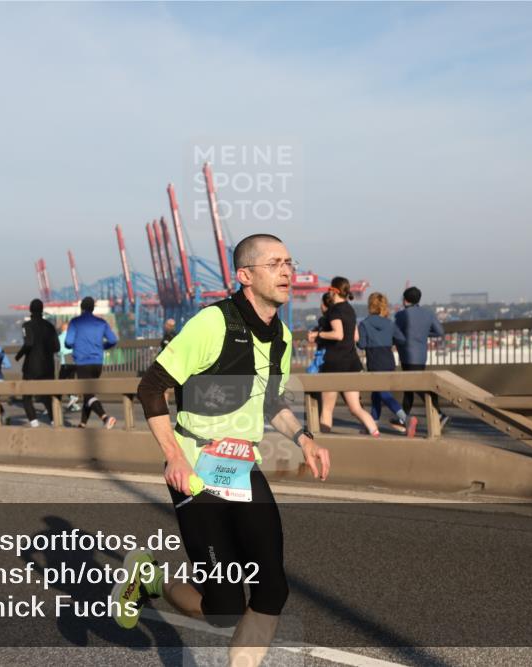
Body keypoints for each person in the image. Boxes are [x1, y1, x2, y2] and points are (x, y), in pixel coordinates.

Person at [118, 234, 330, 666]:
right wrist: (174, 457)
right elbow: (152, 387)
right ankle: (151, 580)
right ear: (245, 276)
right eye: (274, 263)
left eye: (289, 262)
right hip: (197, 468)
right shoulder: (212, 323)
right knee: (223, 607)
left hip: (243, 469)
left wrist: (304, 438)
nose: (287, 271)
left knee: (272, 589)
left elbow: (270, 401)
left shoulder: (283, 337)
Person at [307, 277, 381, 437]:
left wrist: (317, 334)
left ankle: (325, 442)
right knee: (356, 408)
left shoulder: (334, 310)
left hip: (333, 364)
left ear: (334, 291)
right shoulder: (350, 309)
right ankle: (375, 433)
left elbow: (338, 334)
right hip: (351, 362)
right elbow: (355, 337)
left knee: (327, 409)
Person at [357, 292, 418, 437]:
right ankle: (373, 425)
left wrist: (357, 338)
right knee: (376, 395)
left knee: (382, 393)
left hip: (374, 361)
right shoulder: (390, 323)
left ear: (370, 305)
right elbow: (402, 339)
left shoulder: (364, 324)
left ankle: (405, 419)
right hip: (389, 361)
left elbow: (362, 344)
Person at [394, 286, 448, 432]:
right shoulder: (428, 313)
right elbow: (440, 331)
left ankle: (440, 413)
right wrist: (424, 334)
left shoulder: (401, 315)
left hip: (407, 355)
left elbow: (396, 334)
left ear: (405, 299)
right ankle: (403, 419)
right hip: (421, 355)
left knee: (416, 387)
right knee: (409, 388)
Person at [65, 296, 118, 429]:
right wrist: (102, 347)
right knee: (89, 393)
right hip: (98, 363)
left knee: (87, 393)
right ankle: (83, 423)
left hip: (82, 362)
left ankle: (105, 417)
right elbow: (113, 340)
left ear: (81, 308)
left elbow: (68, 342)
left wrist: (75, 346)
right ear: (93, 308)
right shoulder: (101, 323)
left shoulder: (75, 322)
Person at [14, 299, 60, 428]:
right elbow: (57, 347)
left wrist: (19, 355)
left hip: (32, 368)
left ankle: (34, 423)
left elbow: (28, 343)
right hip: (48, 367)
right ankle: (53, 421)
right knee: (47, 397)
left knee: (26, 396)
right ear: (42, 309)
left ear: (30, 310)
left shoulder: (26, 326)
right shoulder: (50, 326)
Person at [57, 321, 80, 412]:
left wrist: (59, 355)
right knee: (70, 381)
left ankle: (55, 404)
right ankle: (74, 404)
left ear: (62, 329)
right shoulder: (74, 337)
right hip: (74, 361)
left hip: (65, 361)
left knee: (60, 383)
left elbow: (59, 351)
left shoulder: (59, 337)